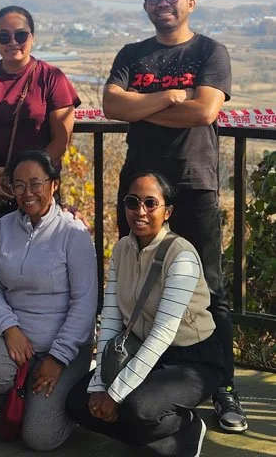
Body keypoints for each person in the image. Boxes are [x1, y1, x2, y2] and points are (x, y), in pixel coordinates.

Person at [101, 0, 246, 433]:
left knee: (210, 288)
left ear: (190, 3)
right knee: (138, 278)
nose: (162, 2)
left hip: (193, 182)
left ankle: (222, 384)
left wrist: (141, 107)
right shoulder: (132, 54)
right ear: (145, 6)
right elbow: (111, 106)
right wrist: (167, 97)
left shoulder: (209, 51)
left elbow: (204, 110)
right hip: (140, 189)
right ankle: (148, 373)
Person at [66, 172, 225, 457]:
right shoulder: (122, 249)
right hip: (139, 350)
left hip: (192, 359)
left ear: (168, 211)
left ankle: (188, 426)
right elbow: (111, 319)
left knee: (137, 409)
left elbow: (163, 333)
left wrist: (115, 394)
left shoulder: (182, 256)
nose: (140, 211)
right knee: (79, 403)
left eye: (151, 203)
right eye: (132, 202)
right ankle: (162, 440)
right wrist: (101, 384)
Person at [0, 150, 97, 450]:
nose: (28, 193)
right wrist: (9, 328)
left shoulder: (73, 233)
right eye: (19, 185)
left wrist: (58, 358)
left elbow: (85, 303)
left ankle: (69, 395)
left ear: (54, 185)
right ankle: (24, 397)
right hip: (17, 342)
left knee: (40, 438)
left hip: (64, 346)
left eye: (36, 184)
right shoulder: (3, 227)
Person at [0, 5, 80, 210]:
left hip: (35, 187)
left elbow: (61, 139)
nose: (13, 42)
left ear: (32, 37)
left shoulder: (51, 78)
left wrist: (28, 177)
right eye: (4, 37)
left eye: (21, 35)